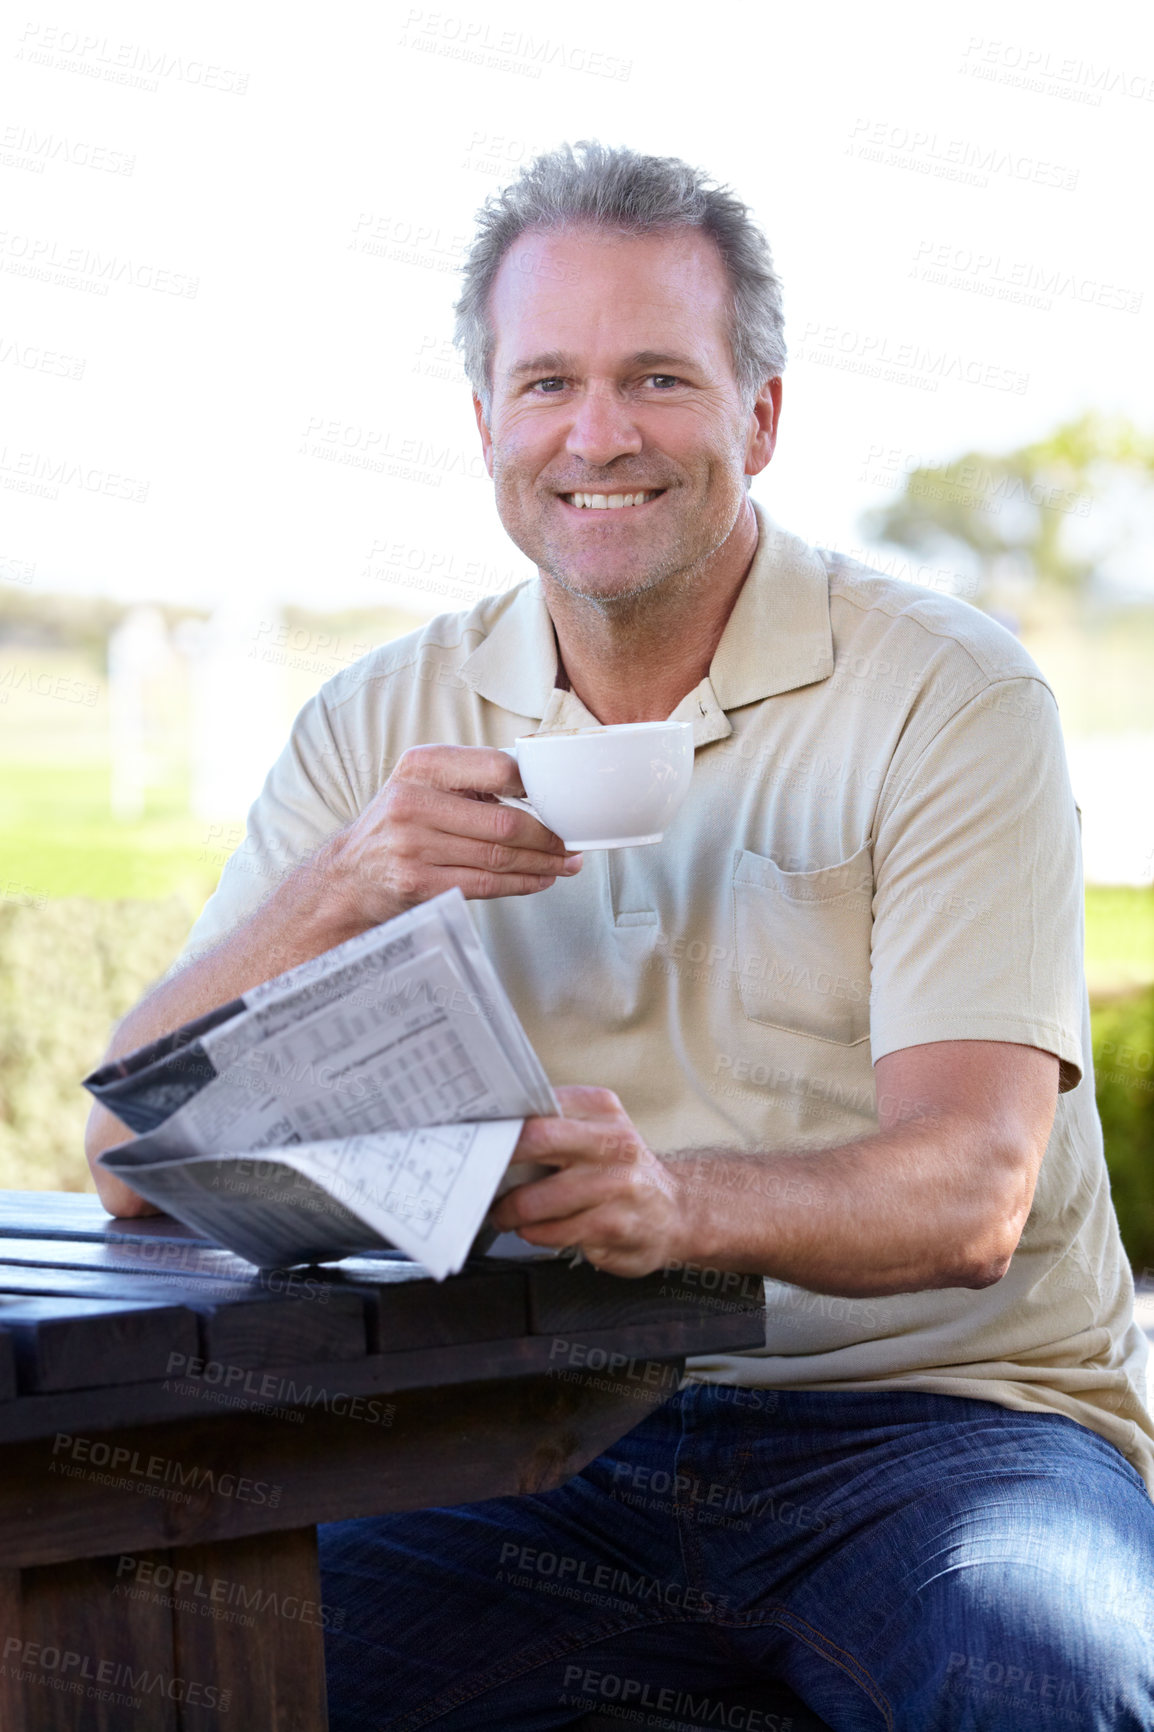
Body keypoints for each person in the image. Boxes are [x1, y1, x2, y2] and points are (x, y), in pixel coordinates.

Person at [85, 143, 1154, 1730]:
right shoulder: (379, 721)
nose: (599, 435)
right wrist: (346, 882)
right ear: (486, 428)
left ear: (760, 416)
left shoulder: (946, 694)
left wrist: (676, 1205)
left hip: (937, 1425)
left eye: (659, 377)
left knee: (1038, 1671)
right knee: (159, 1668)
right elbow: (123, 1150)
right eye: (547, 385)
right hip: (517, 1434)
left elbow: (971, 1192)